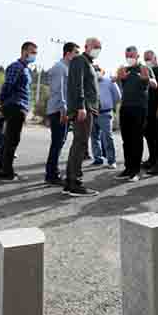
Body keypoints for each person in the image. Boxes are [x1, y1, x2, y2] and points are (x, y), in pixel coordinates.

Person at [0, 41, 37, 182]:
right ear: (24, 51)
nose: (34, 55)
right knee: (12, 140)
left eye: (35, 53)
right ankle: (6, 172)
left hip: (19, 107)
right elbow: (7, 86)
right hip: (14, 107)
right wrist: (3, 105)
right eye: (32, 52)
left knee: (8, 139)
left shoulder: (25, 69)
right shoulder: (16, 67)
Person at [65, 37, 102, 197]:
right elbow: (77, 84)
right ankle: (75, 183)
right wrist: (81, 106)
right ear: (87, 47)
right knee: (80, 144)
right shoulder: (80, 60)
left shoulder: (88, 64)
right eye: (95, 46)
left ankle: (70, 182)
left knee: (79, 144)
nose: (97, 49)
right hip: (84, 108)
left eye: (99, 47)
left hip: (88, 108)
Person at [114, 46, 157, 182]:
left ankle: (136, 171)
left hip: (139, 109)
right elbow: (116, 81)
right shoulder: (125, 70)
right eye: (127, 56)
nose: (129, 58)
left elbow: (155, 84)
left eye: (132, 56)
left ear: (137, 56)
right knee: (126, 140)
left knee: (136, 139)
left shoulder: (145, 68)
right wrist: (119, 78)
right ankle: (128, 168)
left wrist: (147, 79)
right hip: (125, 107)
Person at [44, 42, 80, 186]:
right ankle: (51, 175)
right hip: (59, 111)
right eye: (76, 52)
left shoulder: (67, 68)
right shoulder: (60, 68)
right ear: (68, 53)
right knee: (57, 143)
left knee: (59, 142)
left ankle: (53, 173)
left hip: (63, 110)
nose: (78, 55)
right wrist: (64, 110)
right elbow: (58, 91)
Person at [91, 66, 121, 169]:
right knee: (94, 137)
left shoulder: (110, 81)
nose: (96, 72)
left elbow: (117, 96)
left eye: (98, 70)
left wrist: (109, 105)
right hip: (93, 113)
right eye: (94, 70)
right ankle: (98, 158)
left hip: (105, 113)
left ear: (102, 71)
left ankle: (111, 160)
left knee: (108, 137)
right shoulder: (90, 82)